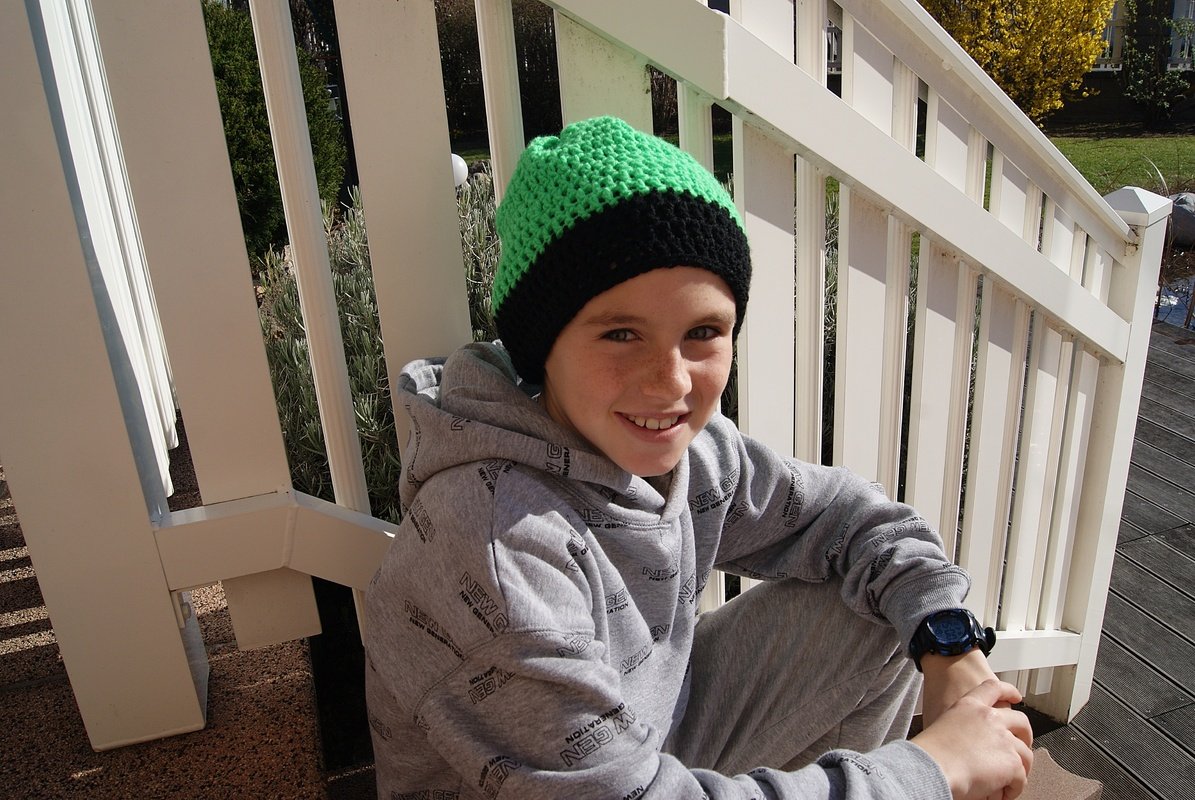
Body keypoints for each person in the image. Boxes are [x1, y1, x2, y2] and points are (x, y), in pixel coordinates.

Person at [364, 115, 1033, 799]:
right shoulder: (496, 548)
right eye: (621, 333)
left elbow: (855, 521)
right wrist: (930, 772)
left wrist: (948, 644)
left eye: (702, 331)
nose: (671, 382)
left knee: (880, 608)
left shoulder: (689, 451)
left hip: (656, 733)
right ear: (543, 345)